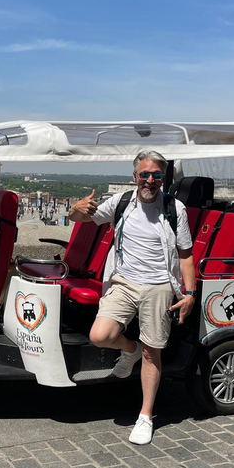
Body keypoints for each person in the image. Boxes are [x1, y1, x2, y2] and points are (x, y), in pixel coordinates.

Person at [69, 150, 195, 445]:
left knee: (154, 352)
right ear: (134, 176)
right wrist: (76, 208)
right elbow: (81, 218)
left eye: (156, 175)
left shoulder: (174, 209)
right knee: (100, 335)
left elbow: (185, 254)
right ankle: (129, 349)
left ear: (163, 178)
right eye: (144, 174)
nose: (150, 180)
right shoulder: (121, 202)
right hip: (124, 281)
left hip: (159, 285)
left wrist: (189, 293)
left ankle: (145, 416)